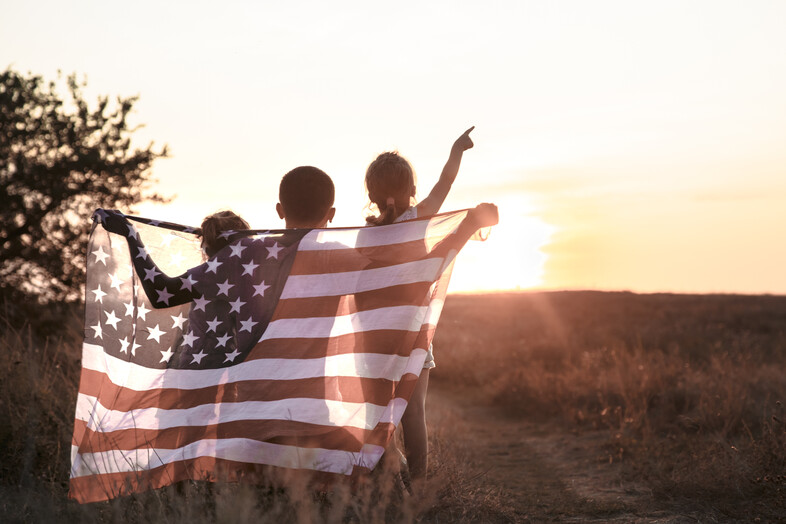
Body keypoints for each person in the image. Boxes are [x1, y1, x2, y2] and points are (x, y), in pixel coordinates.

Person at [363, 126, 476, 480]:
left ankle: (386, 479)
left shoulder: (364, 235)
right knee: (414, 415)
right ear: (412, 190)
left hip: (375, 337)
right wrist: (456, 150)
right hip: (412, 335)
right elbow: (445, 182)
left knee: (377, 414)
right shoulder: (419, 217)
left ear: (371, 194)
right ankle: (418, 487)